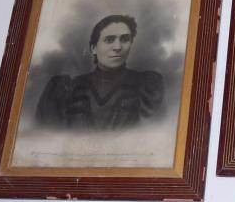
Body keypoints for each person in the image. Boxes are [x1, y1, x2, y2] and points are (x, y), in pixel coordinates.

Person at [35, 14, 165, 130]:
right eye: (109, 40)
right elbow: (48, 137)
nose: (118, 47)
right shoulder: (67, 89)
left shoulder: (147, 85)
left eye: (125, 39)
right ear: (93, 48)